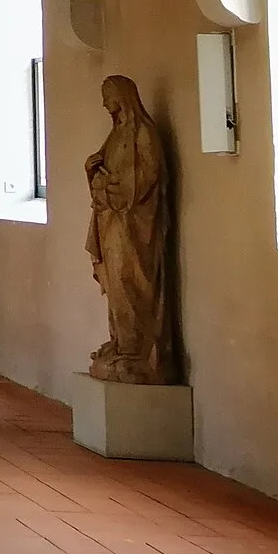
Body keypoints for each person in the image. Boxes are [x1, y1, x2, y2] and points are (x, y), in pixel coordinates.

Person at [84, 75, 177, 383]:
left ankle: (138, 349)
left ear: (122, 97)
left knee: (131, 279)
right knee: (115, 282)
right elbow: (106, 170)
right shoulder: (114, 135)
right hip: (111, 219)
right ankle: (121, 343)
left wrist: (116, 186)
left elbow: (148, 177)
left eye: (106, 96)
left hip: (135, 225)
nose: (103, 104)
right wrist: (93, 170)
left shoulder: (144, 134)